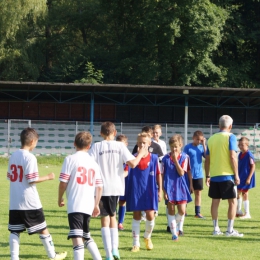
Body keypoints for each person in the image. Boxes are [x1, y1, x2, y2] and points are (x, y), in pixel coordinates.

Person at [88, 121, 147, 260]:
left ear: (101, 133)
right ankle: (115, 248)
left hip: (101, 187)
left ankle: (108, 254)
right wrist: (141, 153)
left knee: (105, 219)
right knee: (113, 216)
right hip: (116, 187)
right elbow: (133, 163)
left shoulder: (97, 146)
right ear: (114, 133)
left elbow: (88, 163)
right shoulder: (120, 146)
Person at [7, 127, 67, 260]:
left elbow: (10, 176)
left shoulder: (13, 155)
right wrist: (48, 177)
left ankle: (14, 258)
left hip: (15, 201)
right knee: (43, 227)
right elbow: (31, 179)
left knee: (15, 230)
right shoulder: (30, 157)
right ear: (33, 141)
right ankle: (53, 255)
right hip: (29, 200)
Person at [58, 131, 103, 260]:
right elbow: (99, 187)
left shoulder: (70, 159)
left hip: (75, 204)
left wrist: (60, 197)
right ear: (89, 146)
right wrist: (96, 205)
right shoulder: (93, 163)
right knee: (85, 235)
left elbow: (63, 183)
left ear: (74, 144)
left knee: (77, 239)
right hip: (89, 204)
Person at [205, 115, 243, 237]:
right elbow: (233, 156)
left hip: (215, 175)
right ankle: (229, 230)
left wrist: (207, 175)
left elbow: (207, 159)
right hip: (228, 176)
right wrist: (236, 174)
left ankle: (216, 229)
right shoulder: (231, 137)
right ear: (230, 126)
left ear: (218, 125)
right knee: (232, 202)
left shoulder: (211, 139)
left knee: (215, 202)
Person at [126, 133, 162, 252]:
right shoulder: (133, 157)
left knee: (150, 215)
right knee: (136, 215)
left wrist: (160, 190)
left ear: (149, 144)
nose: (142, 145)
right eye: (140, 142)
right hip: (136, 189)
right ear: (137, 143)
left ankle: (147, 237)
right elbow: (127, 171)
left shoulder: (154, 158)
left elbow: (158, 174)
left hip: (150, 190)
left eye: (144, 142)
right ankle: (135, 243)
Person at [162, 134, 192, 241]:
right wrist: (163, 190)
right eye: (172, 147)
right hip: (169, 187)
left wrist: (175, 161)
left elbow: (181, 173)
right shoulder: (165, 158)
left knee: (182, 211)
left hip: (181, 187)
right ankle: (174, 233)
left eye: (176, 146)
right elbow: (162, 174)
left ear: (181, 145)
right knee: (170, 209)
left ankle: (173, 223)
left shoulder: (185, 157)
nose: (174, 149)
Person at [183, 130, 206, 218]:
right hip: (189, 174)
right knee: (186, 192)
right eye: (197, 139)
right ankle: (184, 210)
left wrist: (204, 144)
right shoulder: (187, 147)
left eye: (200, 140)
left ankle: (197, 212)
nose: (199, 141)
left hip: (199, 174)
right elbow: (184, 159)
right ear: (193, 138)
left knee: (198, 193)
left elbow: (206, 156)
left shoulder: (201, 147)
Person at [236, 137, 255, 219]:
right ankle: (239, 211)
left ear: (247, 145)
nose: (240, 146)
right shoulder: (240, 154)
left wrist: (249, 178)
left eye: (242, 145)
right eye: (239, 145)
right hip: (240, 176)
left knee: (245, 193)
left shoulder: (249, 155)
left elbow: (253, 166)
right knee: (237, 192)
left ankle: (247, 213)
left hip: (246, 177)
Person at [116, 134, 129, 231]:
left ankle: (120, 222)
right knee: (113, 203)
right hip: (113, 183)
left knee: (122, 202)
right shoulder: (114, 155)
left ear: (126, 144)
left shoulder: (127, 156)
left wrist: (118, 176)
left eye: (122, 144)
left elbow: (127, 171)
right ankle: (111, 221)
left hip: (123, 182)